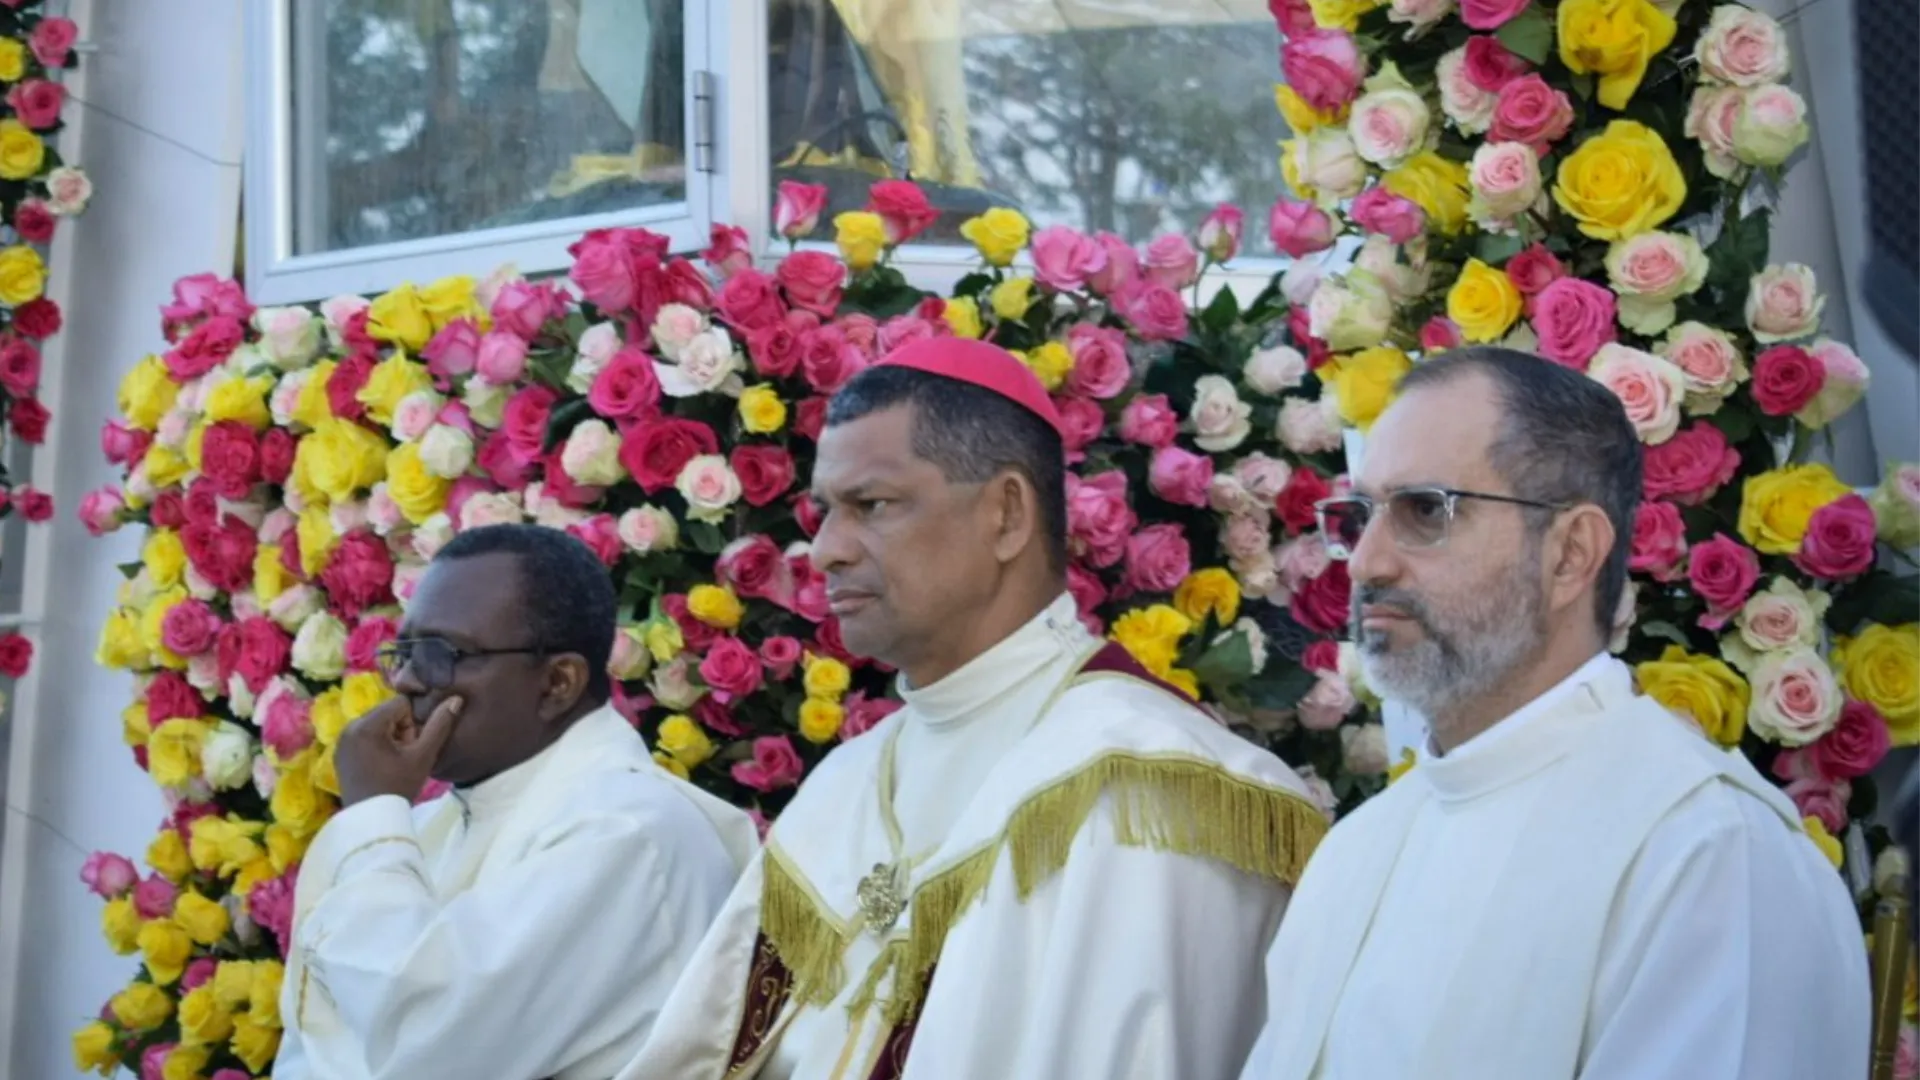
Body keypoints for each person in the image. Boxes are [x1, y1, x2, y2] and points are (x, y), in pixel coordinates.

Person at [619, 337, 1325, 1080]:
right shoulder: (846, 782)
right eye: (824, 510)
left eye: (873, 505)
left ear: (1007, 515)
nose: (824, 549)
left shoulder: (1151, 788)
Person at [1238, 347, 1870, 1079]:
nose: (1364, 563)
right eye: (1359, 516)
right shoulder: (1358, 849)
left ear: (1571, 553)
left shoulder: (1706, 856)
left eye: (1423, 511)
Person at [275, 524, 759, 1080]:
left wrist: (373, 816)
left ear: (557, 683)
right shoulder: (433, 823)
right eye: (405, 651)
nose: (407, 680)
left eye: (440, 653)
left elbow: (430, 1045)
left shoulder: (626, 832)